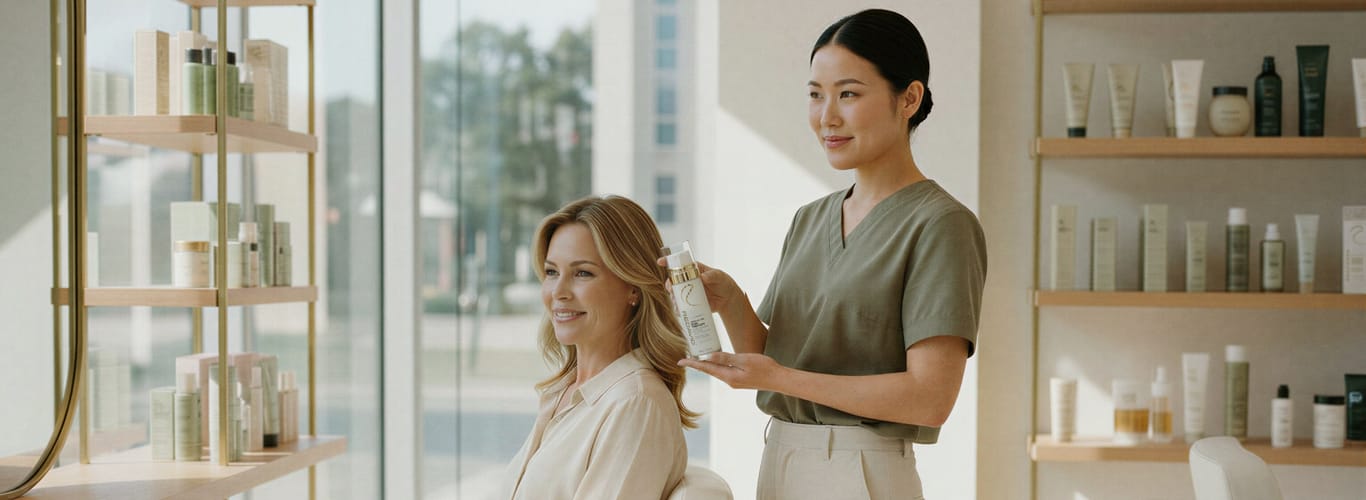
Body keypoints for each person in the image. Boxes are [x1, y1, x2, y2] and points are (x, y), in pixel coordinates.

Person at [675, 9, 986, 500]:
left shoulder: (940, 223)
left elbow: (931, 398)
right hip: (781, 456)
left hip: (861, 471)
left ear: (909, 98)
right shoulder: (810, 218)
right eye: (816, 95)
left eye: (849, 94)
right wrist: (731, 300)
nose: (827, 117)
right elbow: (772, 360)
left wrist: (781, 377)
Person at [501, 195, 696, 500]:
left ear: (633, 287)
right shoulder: (564, 392)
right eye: (552, 272)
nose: (558, 292)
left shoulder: (635, 404)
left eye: (582, 273)